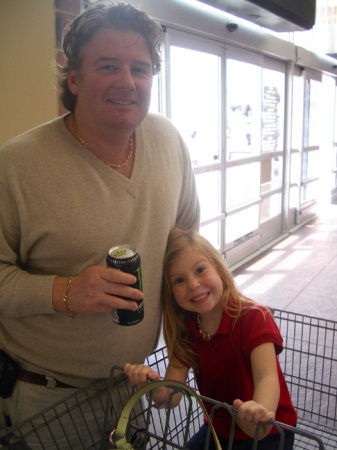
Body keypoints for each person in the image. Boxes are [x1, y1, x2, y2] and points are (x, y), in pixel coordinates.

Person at [0, 0, 199, 443]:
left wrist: (181, 361)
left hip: (132, 385)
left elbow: (185, 260)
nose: (127, 82)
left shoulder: (168, 142)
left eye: (140, 68)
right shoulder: (15, 166)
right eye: (108, 66)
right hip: (47, 399)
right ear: (74, 78)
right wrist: (66, 292)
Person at [125, 229, 297, 450]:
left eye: (200, 270)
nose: (194, 284)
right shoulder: (186, 328)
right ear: (170, 293)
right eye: (179, 280)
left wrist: (259, 413)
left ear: (219, 268)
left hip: (270, 431)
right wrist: (152, 386)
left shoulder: (255, 318)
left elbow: (267, 377)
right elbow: (171, 395)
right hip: (219, 428)